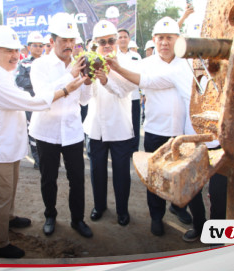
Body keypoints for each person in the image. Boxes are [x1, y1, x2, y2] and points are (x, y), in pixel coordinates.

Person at [0, 25, 87, 258]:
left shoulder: (2, 73)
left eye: (16, 50)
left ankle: (10, 218)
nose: (15, 56)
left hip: (8, 144)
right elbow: (34, 102)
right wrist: (65, 89)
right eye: (8, 51)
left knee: (10, 188)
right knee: (1, 195)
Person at [106, 17, 206, 239]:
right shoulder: (145, 64)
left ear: (177, 40)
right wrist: (106, 78)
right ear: (153, 39)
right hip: (155, 131)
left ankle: (181, 209)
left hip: (184, 134)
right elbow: (124, 86)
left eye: (169, 38)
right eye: (160, 38)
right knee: (156, 179)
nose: (164, 43)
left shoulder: (187, 65)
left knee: (188, 179)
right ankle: (156, 217)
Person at [30, 12, 93, 238]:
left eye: (71, 40)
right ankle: (50, 215)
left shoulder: (80, 64)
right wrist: (70, 75)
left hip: (73, 130)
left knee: (77, 178)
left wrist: (88, 82)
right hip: (47, 131)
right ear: (52, 41)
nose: (68, 45)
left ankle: (78, 219)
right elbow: (42, 97)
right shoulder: (40, 65)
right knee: (49, 178)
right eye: (63, 40)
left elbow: (85, 99)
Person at [84, 20, 137, 226]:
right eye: (102, 41)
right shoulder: (88, 61)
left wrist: (106, 80)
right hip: (95, 127)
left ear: (117, 41)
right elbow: (84, 97)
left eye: (111, 41)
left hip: (120, 127)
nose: (107, 45)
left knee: (122, 173)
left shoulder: (127, 62)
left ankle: (122, 210)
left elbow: (126, 90)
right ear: (95, 44)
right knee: (97, 171)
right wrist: (88, 81)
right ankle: (99, 206)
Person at [15, 31, 44, 170]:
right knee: (32, 131)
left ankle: (46, 158)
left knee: (45, 131)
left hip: (45, 103)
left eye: (40, 45)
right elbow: (20, 80)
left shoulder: (47, 62)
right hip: (30, 103)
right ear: (28, 47)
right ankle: (37, 160)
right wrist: (38, 82)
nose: (38, 48)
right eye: (35, 45)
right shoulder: (23, 63)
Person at [117, 29, 142, 154]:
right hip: (120, 96)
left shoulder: (136, 56)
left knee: (135, 123)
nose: (122, 39)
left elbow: (141, 74)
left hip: (134, 96)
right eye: (120, 37)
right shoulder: (113, 56)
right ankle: (123, 148)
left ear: (129, 39)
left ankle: (134, 150)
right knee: (122, 123)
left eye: (125, 37)